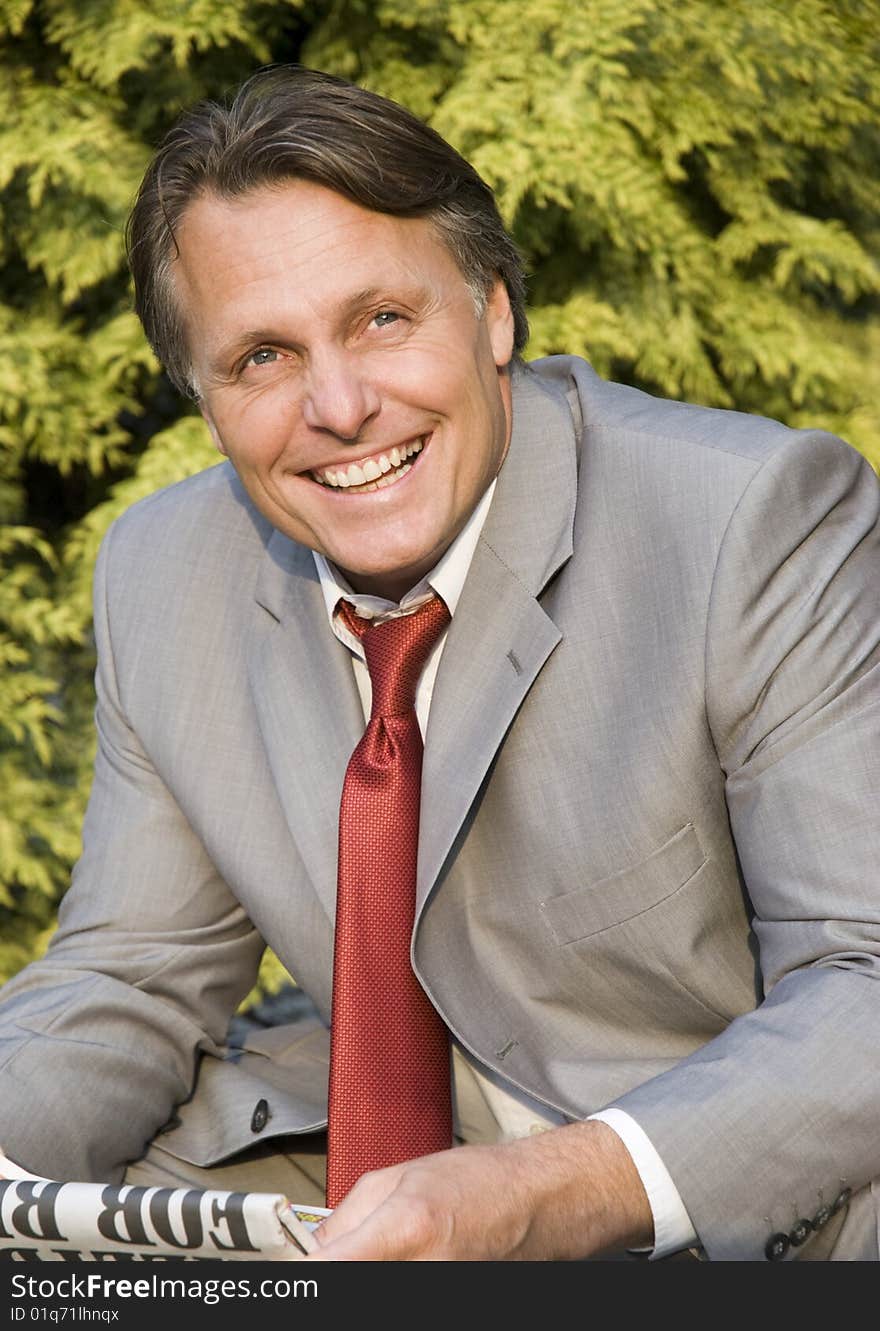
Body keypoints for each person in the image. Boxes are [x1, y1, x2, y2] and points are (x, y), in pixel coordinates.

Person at [0, 64, 878, 1264]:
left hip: (713, 1196)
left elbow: (864, 982)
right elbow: (130, 979)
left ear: (495, 311)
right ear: (202, 399)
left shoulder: (751, 519)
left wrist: (537, 1193)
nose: (341, 404)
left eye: (381, 319)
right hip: (347, 1176)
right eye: (260, 355)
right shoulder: (161, 571)